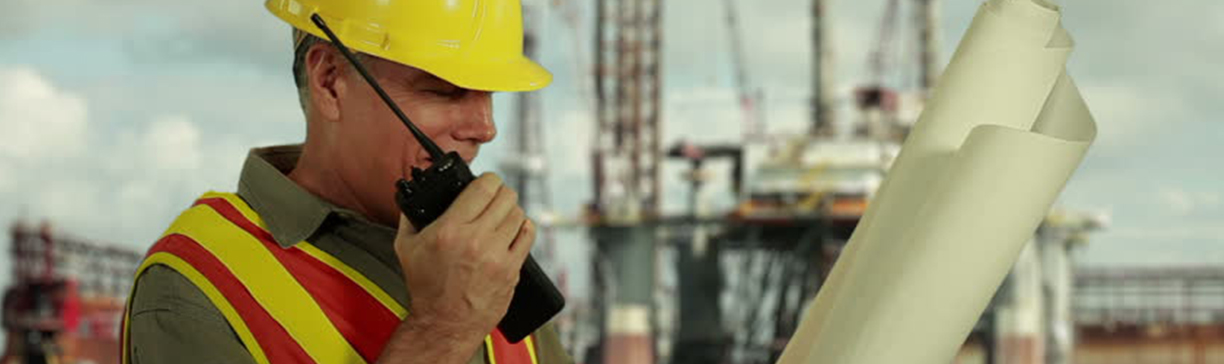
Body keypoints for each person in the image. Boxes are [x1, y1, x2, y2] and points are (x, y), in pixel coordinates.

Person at [121, 1, 570, 363]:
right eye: (445, 90)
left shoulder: (487, 268)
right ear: (330, 82)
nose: (485, 127)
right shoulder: (196, 287)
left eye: (490, 94)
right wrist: (441, 332)